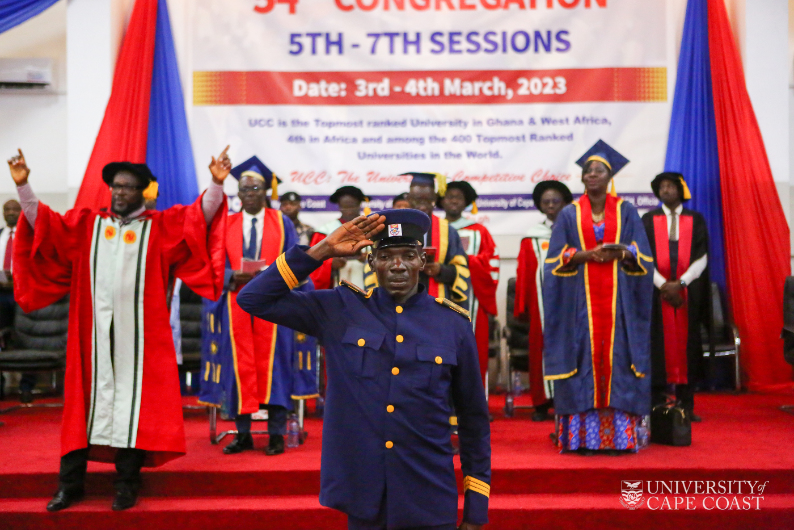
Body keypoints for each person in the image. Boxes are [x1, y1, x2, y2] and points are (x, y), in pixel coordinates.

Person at [236, 209, 490, 530]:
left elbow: (473, 422)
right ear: (370, 263)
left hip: (427, 492)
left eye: (408, 255)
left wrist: (476, 510)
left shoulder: (453, 324)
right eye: (386, 256)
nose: (398, 265)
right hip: (364, 495)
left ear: (422, 262)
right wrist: (322, 251)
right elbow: (253, 299)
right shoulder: (338, 309)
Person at [7, 147, 229, 511]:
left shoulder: (160, 228)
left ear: (142, 191)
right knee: (81, 409)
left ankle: (127, 484)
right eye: (114, 186)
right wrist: (25, 186)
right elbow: (43, 223)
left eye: (127, 187)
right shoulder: (87, 225)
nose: (119, 192)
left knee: (133, 408)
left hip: (139, 343)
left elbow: (199, 219)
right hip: (90, 341)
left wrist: (216, 184)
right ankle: (70, 485)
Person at [542, 140, 654, 454]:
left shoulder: (626, 210)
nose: (592, 175)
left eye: (599, 171)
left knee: (618, 359)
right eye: (588, 171)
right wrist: (585, 255)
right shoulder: (569, 213)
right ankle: (580, 437)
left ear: (609, 177)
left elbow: (642, 255)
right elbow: (555, 258)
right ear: (582, 178)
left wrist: (625, 252)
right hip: (581, 304)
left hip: (618, 306)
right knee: (582, 360)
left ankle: (621, 437)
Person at [216, 155, 300, 456]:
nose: (250, 194)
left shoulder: (283, 222)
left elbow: (295, 261)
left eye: (255, 189)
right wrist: (230, 275)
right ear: (238, 194)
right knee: (241, 369)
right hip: (236, 304)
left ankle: (276, 434)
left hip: (274, 307)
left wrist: (272, 277)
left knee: (275, 368)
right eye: (244, 189)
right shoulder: (227, 223)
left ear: (266, 192)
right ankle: (243, 434)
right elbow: (214, 264)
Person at [642, 172, 709, 422]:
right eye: (662, 187)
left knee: (687, 344)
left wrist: (680, 284)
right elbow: (644, 258)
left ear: (681, 190)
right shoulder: (648, 219)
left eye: (671, 186)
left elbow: (702, 257)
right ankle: (657, 403)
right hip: (656, 294)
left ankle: (686, 403)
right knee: (657, 343)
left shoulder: (696, 219)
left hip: (687, 294)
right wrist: (663, 286)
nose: (666, 190)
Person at [514, 180, 573, 421]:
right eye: (545, 201)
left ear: (565, 203)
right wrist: (523, 306)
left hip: (571, 305)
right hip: (541, 307)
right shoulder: (533, 237)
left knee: (570, 350)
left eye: (555, 201)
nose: (550, 205)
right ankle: (541, 403)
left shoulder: (574, 233)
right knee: (540, 351)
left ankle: (567, 400)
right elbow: (525, 274)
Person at [439, 181, 499, 386]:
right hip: (440, 294)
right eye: (449, 197)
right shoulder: (437, 229)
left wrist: (466, 262)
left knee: (473, 348)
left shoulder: (479, 231)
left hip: (472, 298)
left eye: (459, 197)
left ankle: (475, 404)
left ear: (466, 202)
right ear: (441, 201)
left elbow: (491, 262)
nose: (454, 201)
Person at [402, 172, 470, 309]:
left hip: (437, 303)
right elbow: (376, 268)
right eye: (417, 199)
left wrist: (440, 270)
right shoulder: (395, 228)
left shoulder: (448, 231)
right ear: (408, 198)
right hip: (401, 303)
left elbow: (462, 270)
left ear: (435, 199)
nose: (422, 204)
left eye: (428, 200)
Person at [310, 185, 369, 289]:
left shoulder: (371, 228)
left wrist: (369, 259)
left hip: (367, 283)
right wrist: (331, 263)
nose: (349, 211)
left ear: (360, 205)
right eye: (345, 207)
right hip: (336, 283)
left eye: (352, 207)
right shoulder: (326, 231)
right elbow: (314, 259)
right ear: (339, 206)